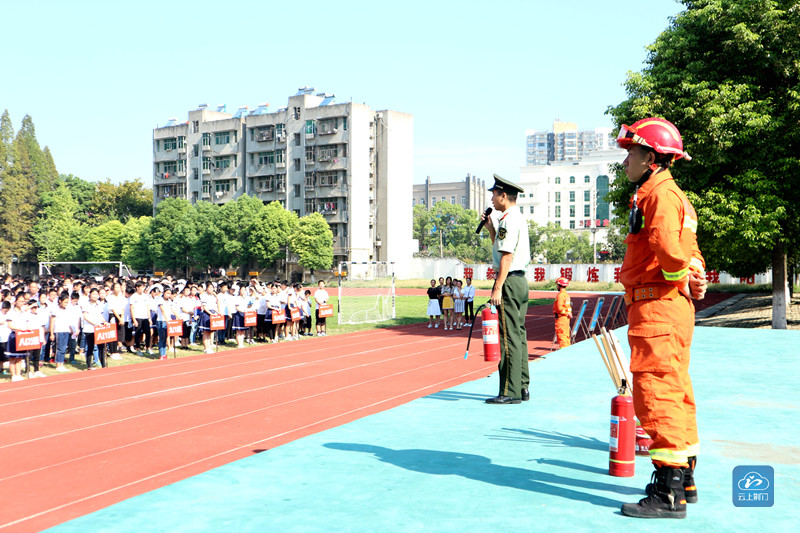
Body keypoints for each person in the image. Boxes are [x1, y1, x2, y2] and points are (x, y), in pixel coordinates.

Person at [616, 117, 707, 519]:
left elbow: (670, 252)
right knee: (677, 390)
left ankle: (667, 493)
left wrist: (678, 276)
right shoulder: (675, 197)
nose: (626, 161)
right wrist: (693, 276)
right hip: (669, 308)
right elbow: (691, 253)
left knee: (656, 391)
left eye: (631, 153)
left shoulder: (658, 196)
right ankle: (684, 480)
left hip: (657, 306)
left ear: (651, 157)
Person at [481, 174, 531, 405]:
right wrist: (491, 228)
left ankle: (509, 392)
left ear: (503, 195)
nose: (491, 197)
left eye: (493, 193)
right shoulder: (513, 219)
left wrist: (497, 288)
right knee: (519, 335)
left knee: (509, 337)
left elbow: (507, 256)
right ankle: (522, 386)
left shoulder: (510, 220)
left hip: (509, 281)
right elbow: (501, 247)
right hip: (520, 281)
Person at [553, 277, 572, 349]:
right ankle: (567, 350)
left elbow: (559, 308)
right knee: (566, 335)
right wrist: (568, 313)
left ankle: (563, 351)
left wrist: (565, 313)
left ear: (559, 285)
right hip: (566, 318)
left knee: (561, 336)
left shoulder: (560, 295)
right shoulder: (566, 295)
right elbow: (568, 307)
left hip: (561, 318)